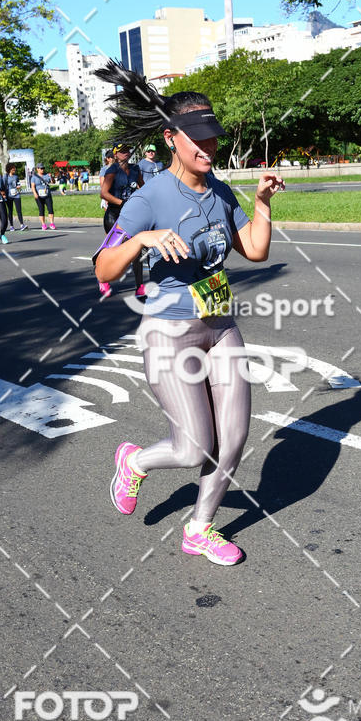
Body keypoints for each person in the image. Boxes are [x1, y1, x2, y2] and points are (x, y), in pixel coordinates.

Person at [93, 61, 284, 567]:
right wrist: (141, 238)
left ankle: (200, 528)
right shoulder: (147, 198)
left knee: (235, 437)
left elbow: (255, 250)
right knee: (193, 448)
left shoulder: (220, 191)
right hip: (169, 334)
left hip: (220, 327)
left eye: (213, 137)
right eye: (195, 138)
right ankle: (133, 460)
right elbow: (104, 267)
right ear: (170, 137)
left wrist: (262, 202)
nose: (207, 147)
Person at [99, 142, 144, 297]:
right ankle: (103, 279)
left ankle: (140, 287)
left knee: (136, 250)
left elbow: (143, 188)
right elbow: (104, 193)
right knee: (113, 251)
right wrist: (122, 203)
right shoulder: (112, 171)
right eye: (122, 151)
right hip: (114, 215)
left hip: (131, 215)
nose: (126, 153)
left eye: (127, 150)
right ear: (116, 155)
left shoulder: (135, 169)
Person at [31, 163, 56, 230]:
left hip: (47, 194)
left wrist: (52, 177)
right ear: (37, 169)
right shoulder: (34, 177)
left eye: (43, 168)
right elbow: (33, 186)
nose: (42, 170)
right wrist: (35, 193)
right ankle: (43, 224)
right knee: (41, 209)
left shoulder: (47, 175)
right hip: (39, 196)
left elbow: (53, 182)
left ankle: (52, 223)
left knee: (50, 209)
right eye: (41, 168)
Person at [4, 162, 27, 231]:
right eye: (13, 168)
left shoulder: (16, 176)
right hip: (9, 195)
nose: (15, 169)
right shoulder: (6, 176)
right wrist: (4, 194)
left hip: (16, 195)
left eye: (15, 168)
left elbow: (18, 183)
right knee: (10, 210)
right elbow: (4, 185)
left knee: (19, 210)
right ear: (9, 169)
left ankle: (22, 224)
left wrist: (19, 187)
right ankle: (11, 226)